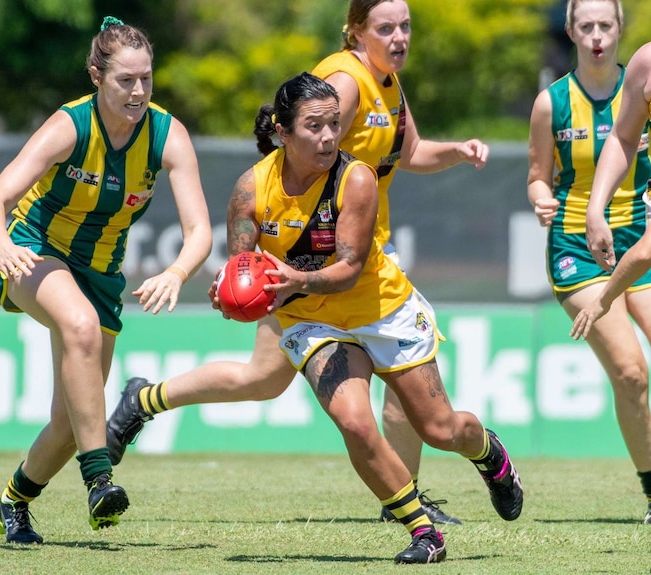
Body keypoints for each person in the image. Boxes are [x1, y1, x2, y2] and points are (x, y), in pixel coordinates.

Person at [107, 0, 489, 525]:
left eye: (405, 26)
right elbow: (315, 164)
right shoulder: (346, 81)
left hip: (355, 253)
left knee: (265, 378)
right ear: (355, 30)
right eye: (385, 27)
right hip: (314, 254)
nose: (399, 36)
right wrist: (293, 257)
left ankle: (144, 400)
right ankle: (406, 499)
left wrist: (458, 151)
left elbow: (411, 151)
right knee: (269, 378)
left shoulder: (388, 84)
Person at [205, 71, 522, 564]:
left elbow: (350, 270)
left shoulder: (356, 178)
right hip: (313, 320)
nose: (329, 136)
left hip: (383, 309)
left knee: (441, 430)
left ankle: (488, 454)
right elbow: (240, 268)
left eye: (335, 124)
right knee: (354, 423)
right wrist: (228, 292)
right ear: (283, 132)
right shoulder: (250, 188)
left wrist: (293, 280)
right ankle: (424, 532)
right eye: (314, 126)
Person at [0, 16, 212, 544]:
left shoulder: (168, 135)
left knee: (70, 421)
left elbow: (199, 231)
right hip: (34, 252)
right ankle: (99, 479)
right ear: (96, 76)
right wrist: (3, 246)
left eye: (146, 78)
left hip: (102, 273)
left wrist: (177, 272)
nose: (138, 91)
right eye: (125, 80)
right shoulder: (69, 126)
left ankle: (13, 503)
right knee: (79, 326)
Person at [529, 0, 651, 526]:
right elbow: (537, 174)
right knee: (631, 372)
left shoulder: (640, 82)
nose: (597, 35)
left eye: (606, 24)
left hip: (641, 241)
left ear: (620, 28)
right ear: (571, 32)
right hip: (578, 246)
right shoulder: (550, 103)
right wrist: (540, 198)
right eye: (586, 26)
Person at [565, 37, 651, 525]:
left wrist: (602, 302)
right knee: (631, 372)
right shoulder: (645, 64)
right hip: (582, 251)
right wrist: (593, 209)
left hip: (629, 256)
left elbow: (645, 251)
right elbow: (621, 138)